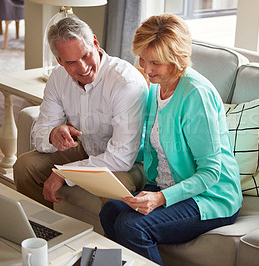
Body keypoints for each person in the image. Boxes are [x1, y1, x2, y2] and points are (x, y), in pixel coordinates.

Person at [99, 13, 243, 265]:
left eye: (155, 63)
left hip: (209, 196)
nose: (146, 69)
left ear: (177, 60)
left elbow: (211, 172)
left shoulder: (196, 95)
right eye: (142, 59)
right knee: (110, 210)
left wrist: (161, 198)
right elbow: (153, 145)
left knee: (132, 227)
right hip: (168, 185)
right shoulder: (156, 88)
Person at [13, 17, 148, 209]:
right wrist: (52, 136)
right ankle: (41, 232)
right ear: (59, 61)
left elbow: (122, 158)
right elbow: (40, 133)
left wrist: (65, 173)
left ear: (95, 42)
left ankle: (104, 240)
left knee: (116, 190)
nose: (83, 68)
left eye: (86, 56)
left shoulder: (125, 83)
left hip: (134, 161)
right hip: (87, 148)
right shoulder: (58, 78)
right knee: (25, 166)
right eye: (71, 62)